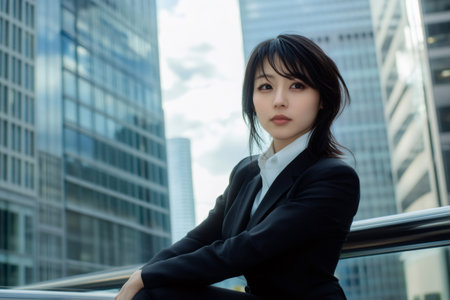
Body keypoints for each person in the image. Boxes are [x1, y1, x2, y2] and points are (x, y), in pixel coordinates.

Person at [115, 34, 360, 300]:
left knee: (155, 294)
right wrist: (144, 273)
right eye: (265, 86)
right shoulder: (247, 173)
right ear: (252, 99)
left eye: (297, 85)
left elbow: (248, 248)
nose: (279, 100)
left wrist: (148, 277)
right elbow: (199, 239)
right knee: (153, 292)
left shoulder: (333, 177)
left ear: (322, 98)